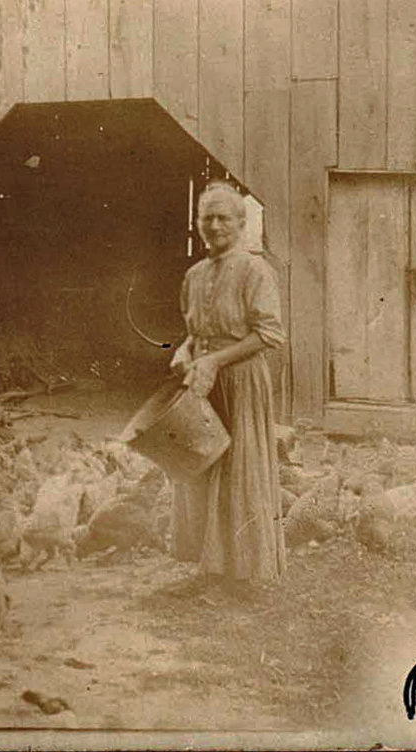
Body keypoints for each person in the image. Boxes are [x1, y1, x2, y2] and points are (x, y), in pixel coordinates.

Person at [168, 181, 287, 595]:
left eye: (223, 218)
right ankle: (208, 568)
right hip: (202, 381)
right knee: (199, 465)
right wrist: (185, 350)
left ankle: (243, 575)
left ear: (240, 222)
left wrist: (216, 360)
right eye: (207, 218)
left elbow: (269, 334)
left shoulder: (255, 271)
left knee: (239, 468)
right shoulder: (194, 275)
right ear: (198, 223)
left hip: (240, 381)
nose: (215, 226)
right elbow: (194, 330)